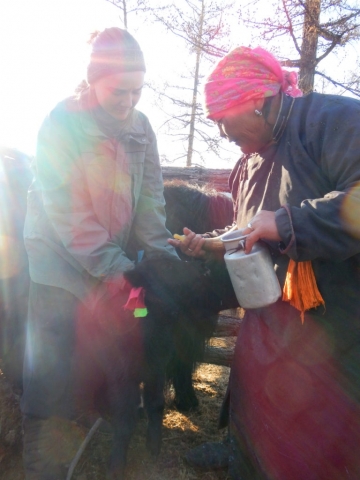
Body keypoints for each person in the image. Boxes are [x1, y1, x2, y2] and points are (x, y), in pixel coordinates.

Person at [168, 46, 360, 480]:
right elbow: (248, 229)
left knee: (319, 433)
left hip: (336, 319)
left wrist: (290, 222)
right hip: (267, 313)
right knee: (256, 403)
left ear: (255, 100)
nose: (220, 131)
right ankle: (240, 453)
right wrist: (211, 243)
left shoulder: (333, 122)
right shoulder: (246, 164)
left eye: (222, 118)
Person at [21, 27, 179, 479]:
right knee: (51, 371)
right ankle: (43, 463)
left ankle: (93, 430)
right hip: (58, 265)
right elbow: (68, 213)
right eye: (119, 90)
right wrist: (120, 269)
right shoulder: (61, 123)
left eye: (138, 90)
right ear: (93, 80)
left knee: (106, 356)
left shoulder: (142, 127)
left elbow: (150, 200)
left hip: (109, 263)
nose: (129, 101)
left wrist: (160, 254)